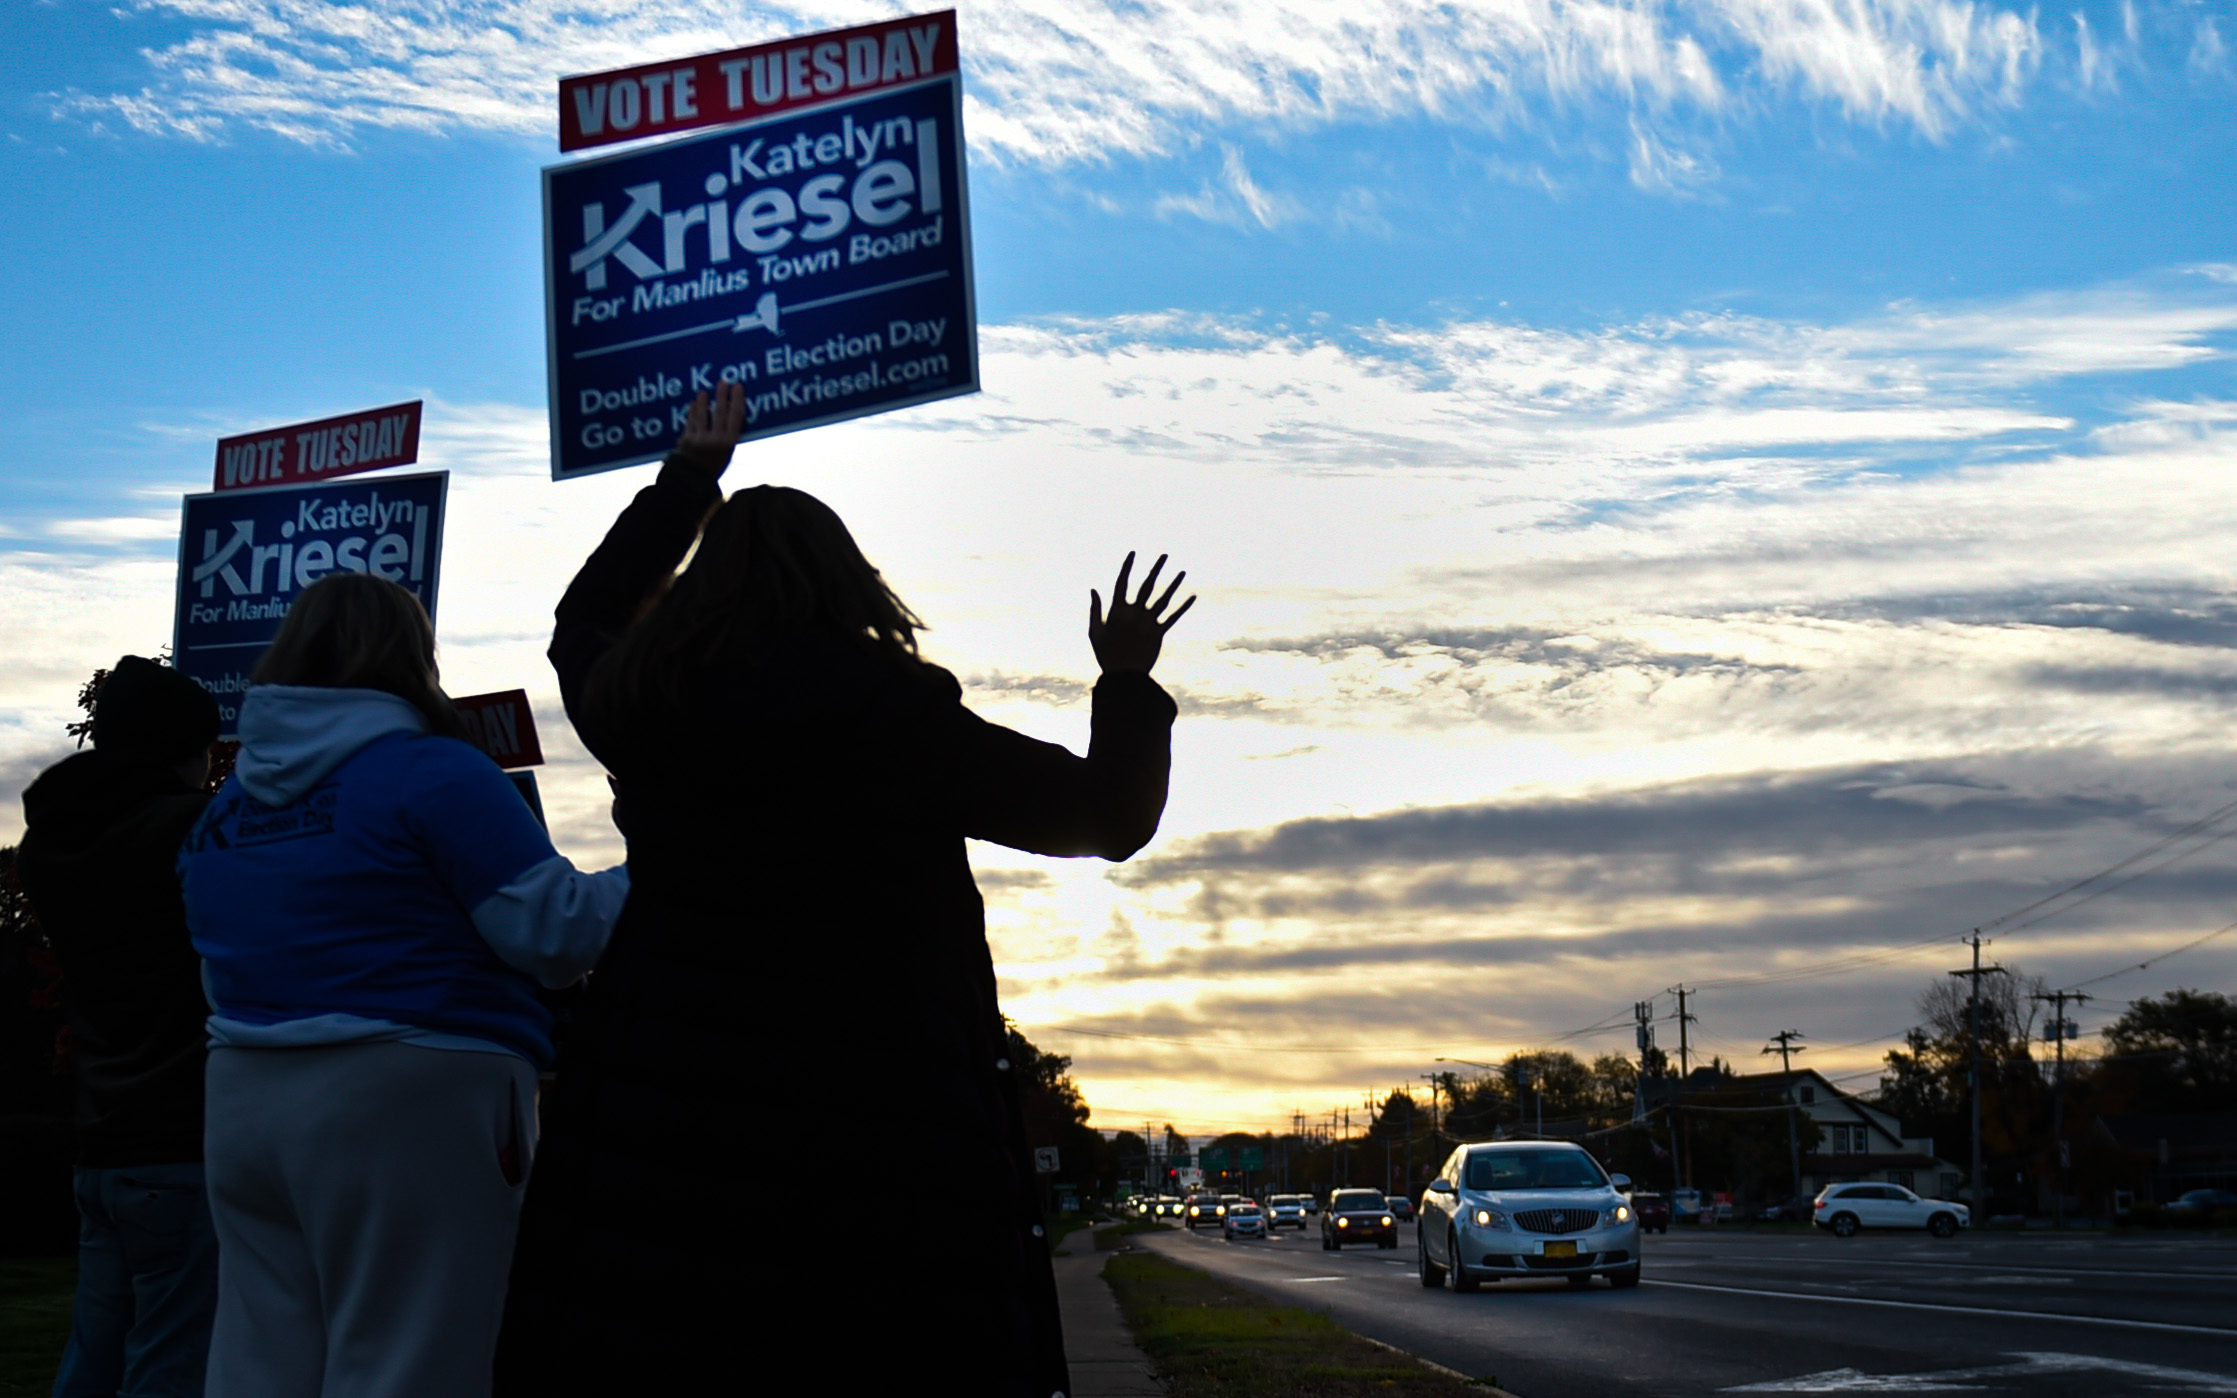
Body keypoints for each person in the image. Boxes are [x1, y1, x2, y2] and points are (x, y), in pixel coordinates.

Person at [495, 383, 1192, 1398]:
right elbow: (1106, 817)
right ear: (850, 583)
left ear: (698, 587)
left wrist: (692, 474)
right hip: (881, 1131)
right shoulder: (899, 722)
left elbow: (586, 616)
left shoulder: (645, 711)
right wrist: (1124, 679)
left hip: (668, 1121)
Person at [176, 573, 630, 1398]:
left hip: (243, 1100)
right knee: (413, 1359)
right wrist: (663, 868)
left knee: (260, 1361)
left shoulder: (225, 811)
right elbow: (553, 934)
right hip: (415, 1094)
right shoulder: (434, 772)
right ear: (412, 653)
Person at [17, 656, 221, 1398]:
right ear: (180, 749)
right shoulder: (189, 832)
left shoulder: (53, 844)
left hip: (103, 1139)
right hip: (185, 1140)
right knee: (171, 1362)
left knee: (93, 1360)